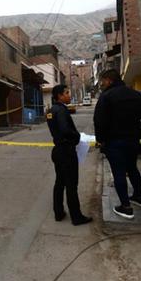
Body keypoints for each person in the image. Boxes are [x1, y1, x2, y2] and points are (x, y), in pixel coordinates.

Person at [93, 69, 141, 220]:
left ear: (109, 80)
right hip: (133, 140)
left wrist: (100, 140)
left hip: (114, 141)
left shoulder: (106, 96)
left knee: (118, 173)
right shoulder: (135, 94)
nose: (101, 84)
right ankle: (138, 197)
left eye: (102, 81)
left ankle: (126, 207)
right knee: (132, 168)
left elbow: (99, 121)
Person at [47, 85, 92, 226]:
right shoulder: (60, 110)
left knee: (59, 183)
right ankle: (76, 217)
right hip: (66, 152)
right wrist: (77, 137)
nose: (69, 96)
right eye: (67, 93)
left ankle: (58, 213)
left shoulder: (50, 110)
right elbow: (66, 130)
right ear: (59, 96)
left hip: (58, 151)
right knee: (71, 185)